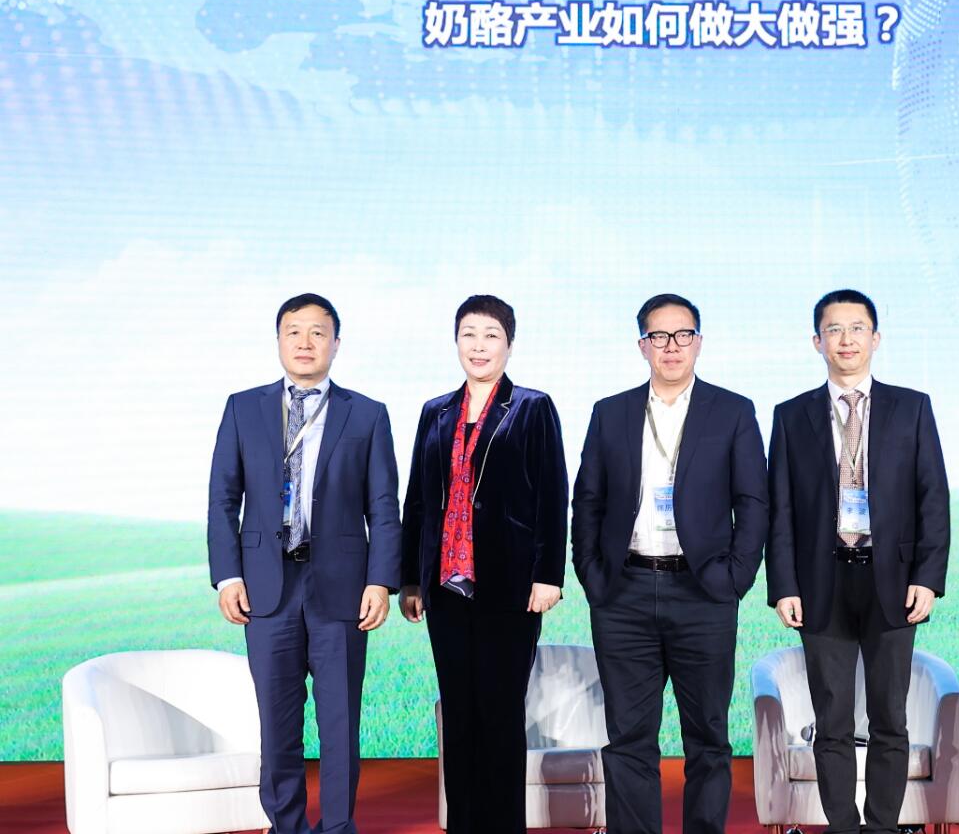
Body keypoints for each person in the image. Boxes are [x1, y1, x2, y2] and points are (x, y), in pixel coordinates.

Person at [571, 293, 768, 834]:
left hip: (703, 593)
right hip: (624, 592)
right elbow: (587, 500)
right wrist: (593, 575)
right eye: (659, 336)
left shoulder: (732, 411)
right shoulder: (610, 412)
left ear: (698, 342)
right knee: (629, 738)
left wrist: (734, 578)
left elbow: (753, 502)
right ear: (643, 346)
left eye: (683, 335)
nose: (672, 346)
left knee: (707, 736)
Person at [207, 293, 400, 834]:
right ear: (278, 341)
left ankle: (337, 826)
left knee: (340, 722)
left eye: (318, 332)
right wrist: (228, 575)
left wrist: (380, 581)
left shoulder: (367, 413)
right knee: (277, 721)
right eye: (294, 331)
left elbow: (384, 506)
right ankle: (285, 825)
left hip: (341, 587)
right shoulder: (243, 408)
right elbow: (223, 498)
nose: (305, 342)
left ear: (336, 343)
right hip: (266, 586)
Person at [767, 289, 951, 834]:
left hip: (893, 580)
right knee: (832, 720)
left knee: (890, 717)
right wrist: (784, 585)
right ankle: (844, 827)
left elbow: (932, 498)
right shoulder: (791, 415)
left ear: (876, 337)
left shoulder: (911, 407)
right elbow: (780, 508)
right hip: (820, 583)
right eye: (833, 329)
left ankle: (883, 828)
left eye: (856, 328)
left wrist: (928, 578)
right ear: (816, 341)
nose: (845, 339)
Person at [397, 295, 568, 834]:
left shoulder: (532, 407)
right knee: (460, 716)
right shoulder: (435, 412)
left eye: (491, 335)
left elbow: (552, 494)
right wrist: (410, 578)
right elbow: (417, 500)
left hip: (509, 587)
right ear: (456, 342)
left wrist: (549, 574)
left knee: (499, 715)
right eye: (468, 334)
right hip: (445, 588)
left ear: (509, 345)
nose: (478, 345)